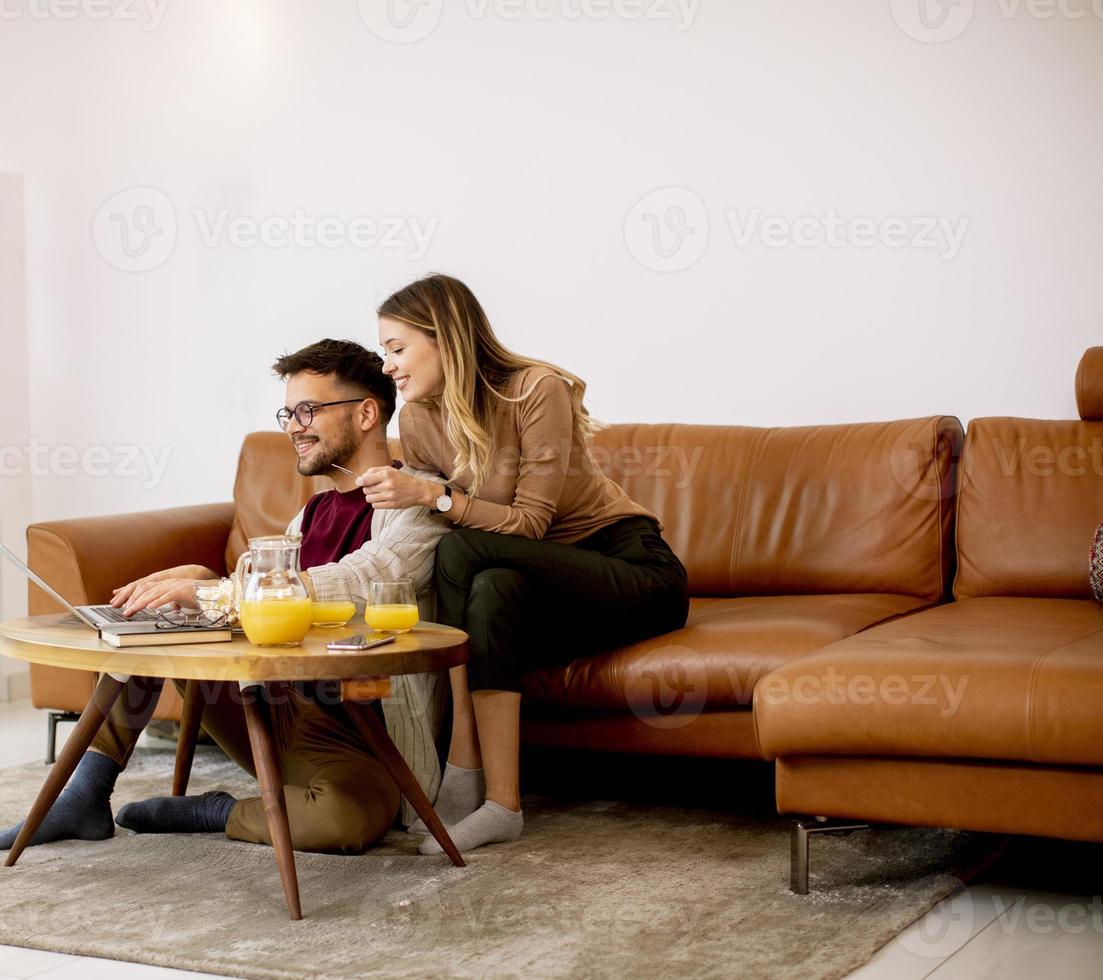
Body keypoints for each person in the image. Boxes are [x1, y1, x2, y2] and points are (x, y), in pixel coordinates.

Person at [0, 340, 451, 855]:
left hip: (359, 735)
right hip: (277, 705)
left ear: (367, 412)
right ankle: (85, 792)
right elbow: (249, 596)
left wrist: (217, 589)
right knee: (166, 615)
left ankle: (217, 810)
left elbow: (361, 580)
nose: (293, 427)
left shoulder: (418, 500)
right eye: (287, 413)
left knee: (341, 822)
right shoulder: (312, 514)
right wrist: (201, 582)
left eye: (308, 410)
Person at [356, 274, 690, 855]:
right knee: (489, 586)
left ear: (446, 339)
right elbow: (467, 526)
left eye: (397, 348)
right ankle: (502, 805)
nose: (388, 366)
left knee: (461, 549)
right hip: (538, 588)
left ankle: (463, 761)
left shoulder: (535, 391)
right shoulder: (416, 420)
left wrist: (430, 495)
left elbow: (530, 523)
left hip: (629, 571)